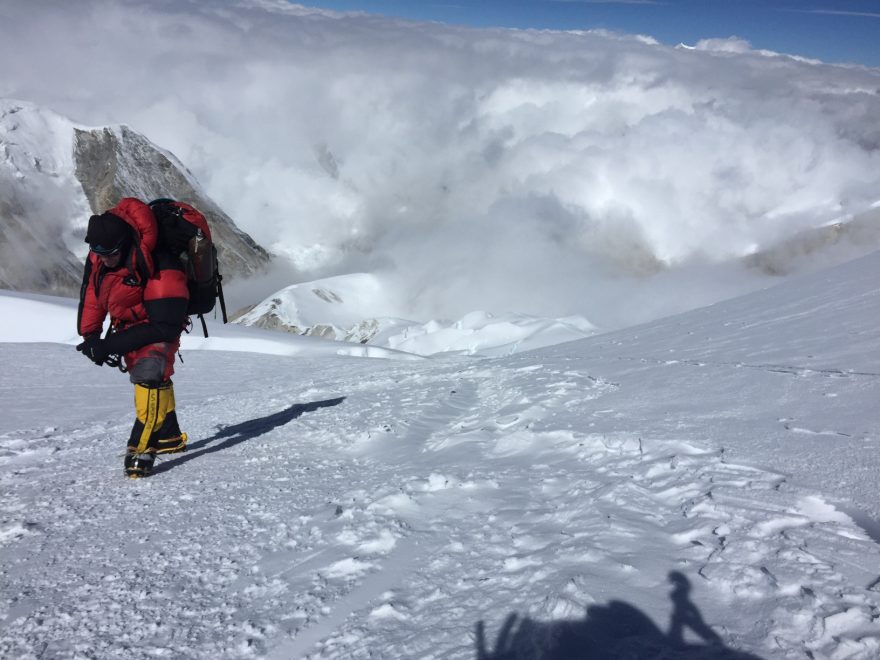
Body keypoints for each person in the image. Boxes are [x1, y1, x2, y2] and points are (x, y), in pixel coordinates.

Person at [76, 198, 190, 478]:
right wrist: (90, 335)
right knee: (154, 376)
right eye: (97, 253)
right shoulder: (101, 255)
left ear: (125, 243)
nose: (103, 259)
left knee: (150, 376)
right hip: (129, 325)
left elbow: (164, 326)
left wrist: (108, 345)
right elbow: (92, 291)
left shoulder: (162, 263)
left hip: (161, 324)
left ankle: (140, 453)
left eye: (109, 254)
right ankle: (169, 437)